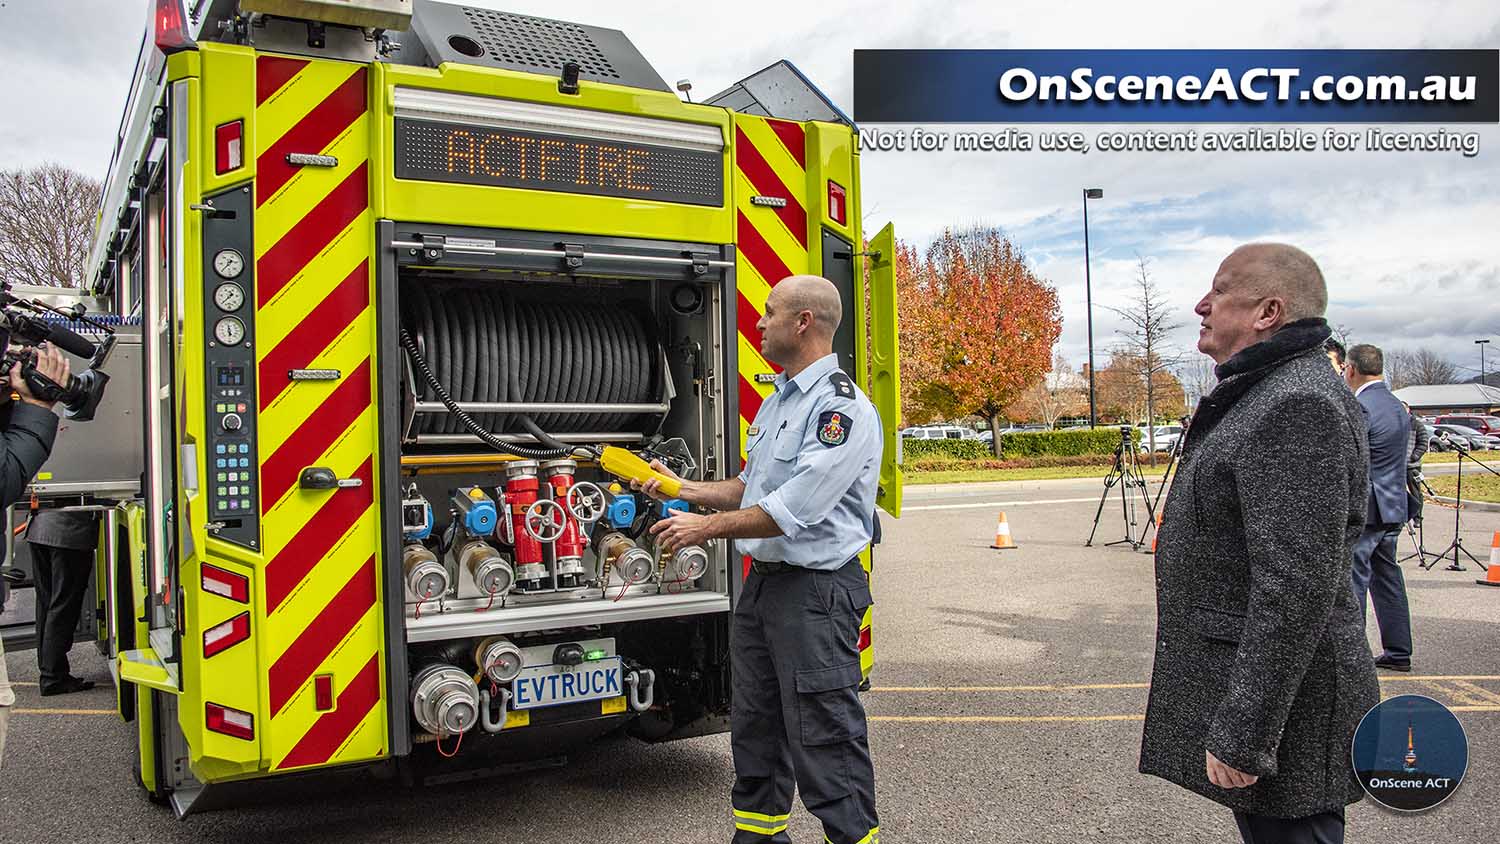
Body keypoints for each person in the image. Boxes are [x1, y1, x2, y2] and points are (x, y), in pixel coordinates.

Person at [1140, 244, 1379, 844]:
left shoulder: (1295, 403)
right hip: (1282, 709)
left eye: (1219, 292)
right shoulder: (1269, 392)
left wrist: (1246, 734)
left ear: (1268, 311)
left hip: (1289, 718)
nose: (1201, 305)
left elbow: (1296, 588)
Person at [636, 275, 881, 844]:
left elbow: (790, 511)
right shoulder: (779, 400)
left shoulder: (839, 409)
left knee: (825, 736)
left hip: (816, 594)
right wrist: (683, 490)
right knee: (757, 730)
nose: (758, 323)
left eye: (769, 313)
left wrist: (705, 529)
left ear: (803, 323)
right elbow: (752, 488)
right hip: (766, 587)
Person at [0, 342, 73, 768]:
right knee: (60, 601)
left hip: (44, 532)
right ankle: (53, 675)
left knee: (52, 602)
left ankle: (52, 673)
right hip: (63, 532)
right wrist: (36, 410)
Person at [1344, 344, 1414, 671]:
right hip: (1394, 503)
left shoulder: (1362, 407)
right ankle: (1399, 650)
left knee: (1355, 579)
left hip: (1369, 508)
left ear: (1351, 369)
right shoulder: (1397, 406)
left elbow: (1353, 460)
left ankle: (1352, 656)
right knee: (1388, 579)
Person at [28, 509, 101, 695]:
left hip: (39, 530)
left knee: (47, 604)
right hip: (69, 535)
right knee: (63, 606)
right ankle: (53, 676)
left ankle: (49, 671)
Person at [1402, 402, 1428, 526]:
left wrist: (1414, 456)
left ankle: (1418, 518)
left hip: (1413, 466)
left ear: (1408, 410)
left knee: (1415, 492)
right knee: (1398, 492)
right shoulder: (1395, 424)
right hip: (1397, 466)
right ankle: (1401, 518)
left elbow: (1423, 443)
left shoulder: (1416, 424)